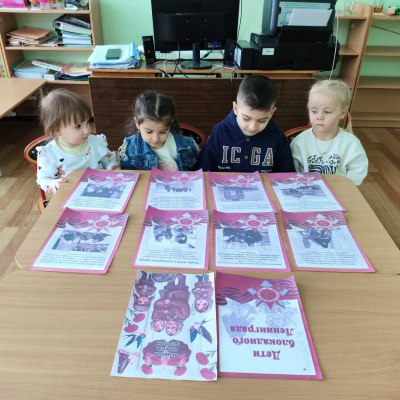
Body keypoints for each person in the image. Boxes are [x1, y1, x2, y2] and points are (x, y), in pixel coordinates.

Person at [197, 76, 295, 173]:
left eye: (262, 121)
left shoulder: (277, 137)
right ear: (235, 108)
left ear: (272, 113)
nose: (252, 127)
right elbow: (203, 173)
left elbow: (287, 176)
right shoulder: (219, 132)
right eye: (246, 118)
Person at [36, 89, 118, 194]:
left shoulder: (96, 142)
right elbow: (43, 180)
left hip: (100, 190)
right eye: (78, 126)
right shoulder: (48, 154)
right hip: (69, 196)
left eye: (87, 122)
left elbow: (108, 159)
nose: (87, 130)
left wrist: (111, 166)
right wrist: (55, 184)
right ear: (57, 130)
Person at [290, 80, 368, 186]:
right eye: (314, 111)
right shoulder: (300, 141)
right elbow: (292, 168)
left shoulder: (351, 143)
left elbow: (358, 170)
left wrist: (344, 186)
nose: (319, 117)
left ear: (342, 113)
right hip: (306, 190)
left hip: (339, 191)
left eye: (327, 112)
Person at [119, 92, 199, 171]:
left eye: (163, 132)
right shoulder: (129, 148)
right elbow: (128, 175)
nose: (155, 139)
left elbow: (199, 173)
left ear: (170, 124)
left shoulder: (188, 146)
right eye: (149, 132)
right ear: (137, 123)